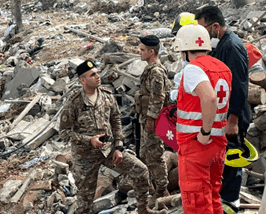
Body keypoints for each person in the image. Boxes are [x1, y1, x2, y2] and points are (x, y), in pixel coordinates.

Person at [59, 60, 163, 214]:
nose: (97, 76)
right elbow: (64, 133)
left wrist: (119, 147)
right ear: (83, 80)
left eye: (97, 72)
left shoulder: (106, 95)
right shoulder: (74, 102)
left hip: (109, 151)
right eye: (92, 75)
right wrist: (89, 140)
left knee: (141, 171)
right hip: (85, 157)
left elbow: (116, 121)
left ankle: (143, 209)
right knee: (85, 201)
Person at [172, 24, 232, 214]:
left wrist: (204, 132)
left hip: (197, 144)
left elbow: (209, 97)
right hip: (218, 143)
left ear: (185, 49)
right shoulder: (222, 67)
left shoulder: (193, 69)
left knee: (196, 200)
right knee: (213, 195)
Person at [194, 5, 249, 214]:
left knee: (231, 160)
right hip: (223, 115)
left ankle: (230, 202)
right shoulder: (221, 45)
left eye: (204, 29)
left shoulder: (232, 47)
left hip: (233, 117)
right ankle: (221, 202)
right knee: (222, 160)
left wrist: (233, 120)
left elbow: (239, 85)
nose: (202, 35)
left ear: (215, 26)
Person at [135, 35, 171, 199]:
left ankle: (162, 189)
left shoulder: (156, 71)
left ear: (151, 51)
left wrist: (151, 119)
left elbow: (158, 97)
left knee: (155, 154)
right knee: (144, 153)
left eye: (142, 50)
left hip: (154, 121)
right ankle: (150, 186)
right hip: (146, 119)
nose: (139, 52)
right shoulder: (150, 68)